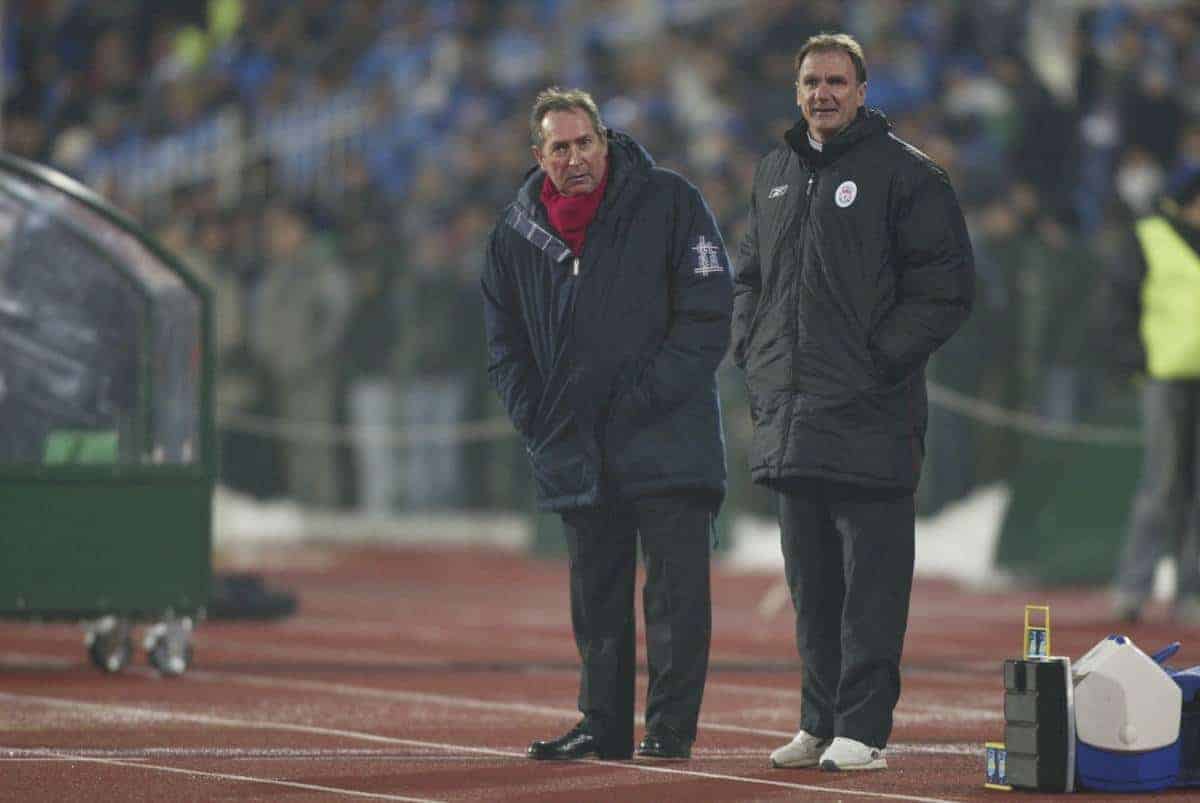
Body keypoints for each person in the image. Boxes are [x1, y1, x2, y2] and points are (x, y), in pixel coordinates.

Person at [732, 34, 974, 772]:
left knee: (869, 592)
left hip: (870, 417)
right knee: (811, 590)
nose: (822, 93)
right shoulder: (773, 171)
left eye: (837, 81)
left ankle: (863, 728)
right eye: (811, 81)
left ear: (863, 91)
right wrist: (754, 352)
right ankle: (818, 719)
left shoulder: (909, 176)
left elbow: (946, 288)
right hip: (793, 417)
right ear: (796, 90)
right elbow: (749, 277)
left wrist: (875, 361)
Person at [482, 87, 732, 761]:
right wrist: (536, 417)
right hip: (574, 442)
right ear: (539, 156)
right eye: (559, 147)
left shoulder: (670, 201)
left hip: (667, 437)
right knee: (596, 598)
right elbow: (504, 342)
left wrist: (645, 397)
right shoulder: (515, 231)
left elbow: (708, 315)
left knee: (675, 596)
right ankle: (604, 722)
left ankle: (670, 729)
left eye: (584, 142)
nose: (575, 157)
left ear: (605, 139)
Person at [1107, 169, 1200, 623]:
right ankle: (1133, 587)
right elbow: (1119, 301)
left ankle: (1192, 593)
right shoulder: (1149, 237)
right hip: (1163, 375)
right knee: (1160, 487)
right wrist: (1133, 358)